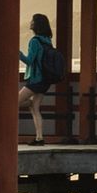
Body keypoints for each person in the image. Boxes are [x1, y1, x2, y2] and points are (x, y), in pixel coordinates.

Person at [18, 13, 65, 144]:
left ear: (36, 24)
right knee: (35, 107)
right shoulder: (47, 40)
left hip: (35, 80)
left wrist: (18, 54)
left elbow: (29, 61)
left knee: (13, 103)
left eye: (32, 20)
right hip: (45, 81)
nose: (30, 22)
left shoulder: (34, 41)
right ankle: (40, 137)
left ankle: (6, 134)